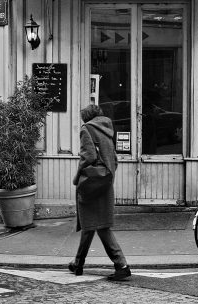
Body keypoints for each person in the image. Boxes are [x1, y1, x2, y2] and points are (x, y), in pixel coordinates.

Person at [70, 104, 131, 281]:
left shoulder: (87, 129)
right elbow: (115, 159)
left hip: (91, 182)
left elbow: (88, 156)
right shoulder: (107, 129)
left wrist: (79, 176)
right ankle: (79, 263)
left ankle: (121, 264)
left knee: (95, 224)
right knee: (96, 225)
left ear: (86, 117)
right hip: (105, 181)